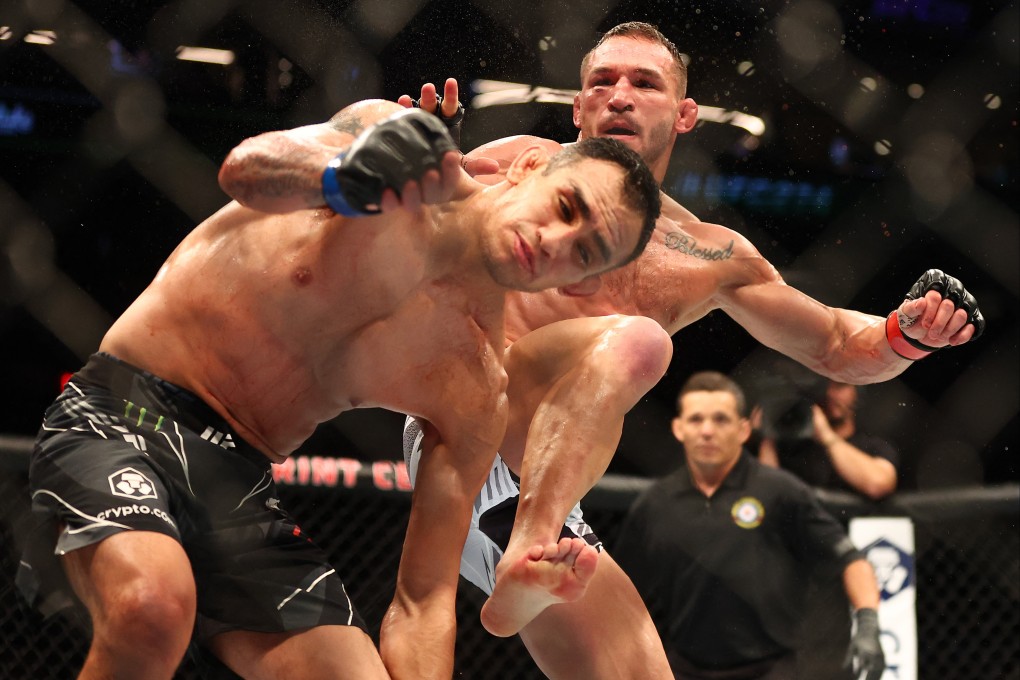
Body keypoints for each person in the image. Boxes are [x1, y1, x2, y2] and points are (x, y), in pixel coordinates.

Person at [401, 20, 983, 678]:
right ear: (578, 106)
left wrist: (909, 333)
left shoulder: (702, 254)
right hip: (467, 418)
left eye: (644, 83)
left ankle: (524, 563)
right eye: (602, 82)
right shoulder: (517, 165)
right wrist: (422, 178)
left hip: (546, 488)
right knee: (635, 341)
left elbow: (838, 344)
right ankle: (521, 553)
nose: (619, 95)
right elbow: (405, 215)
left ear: (684, 115)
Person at [19, 97, 660, 680]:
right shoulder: (403, 147)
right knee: (153, 609)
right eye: (566, 207)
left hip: (237, 480)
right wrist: (343, 179)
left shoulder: (474, 383)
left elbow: (423, 602)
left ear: (580, 283)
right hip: (126, 409)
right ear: (527, 169)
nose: (553, 241)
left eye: (585, 252)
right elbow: (245, 168)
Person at [614, 371, 886, 680]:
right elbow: (621, 588)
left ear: (744, 429)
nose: (707, 431)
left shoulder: (780, 491)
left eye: (720, 420)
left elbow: (850, 559)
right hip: (681, 668)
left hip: (771, 669)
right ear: (678, 428)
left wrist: (868, 625)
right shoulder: (655, 504)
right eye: (695, 420)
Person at [757, 378, 900, 499]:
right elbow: (767, 495)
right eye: (823, 387)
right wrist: (769, 432)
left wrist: (826, 435)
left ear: (857, 393)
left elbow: (879, 485)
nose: (830, 394)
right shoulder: (794, 450)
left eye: (840, 386)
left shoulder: (874, 446)